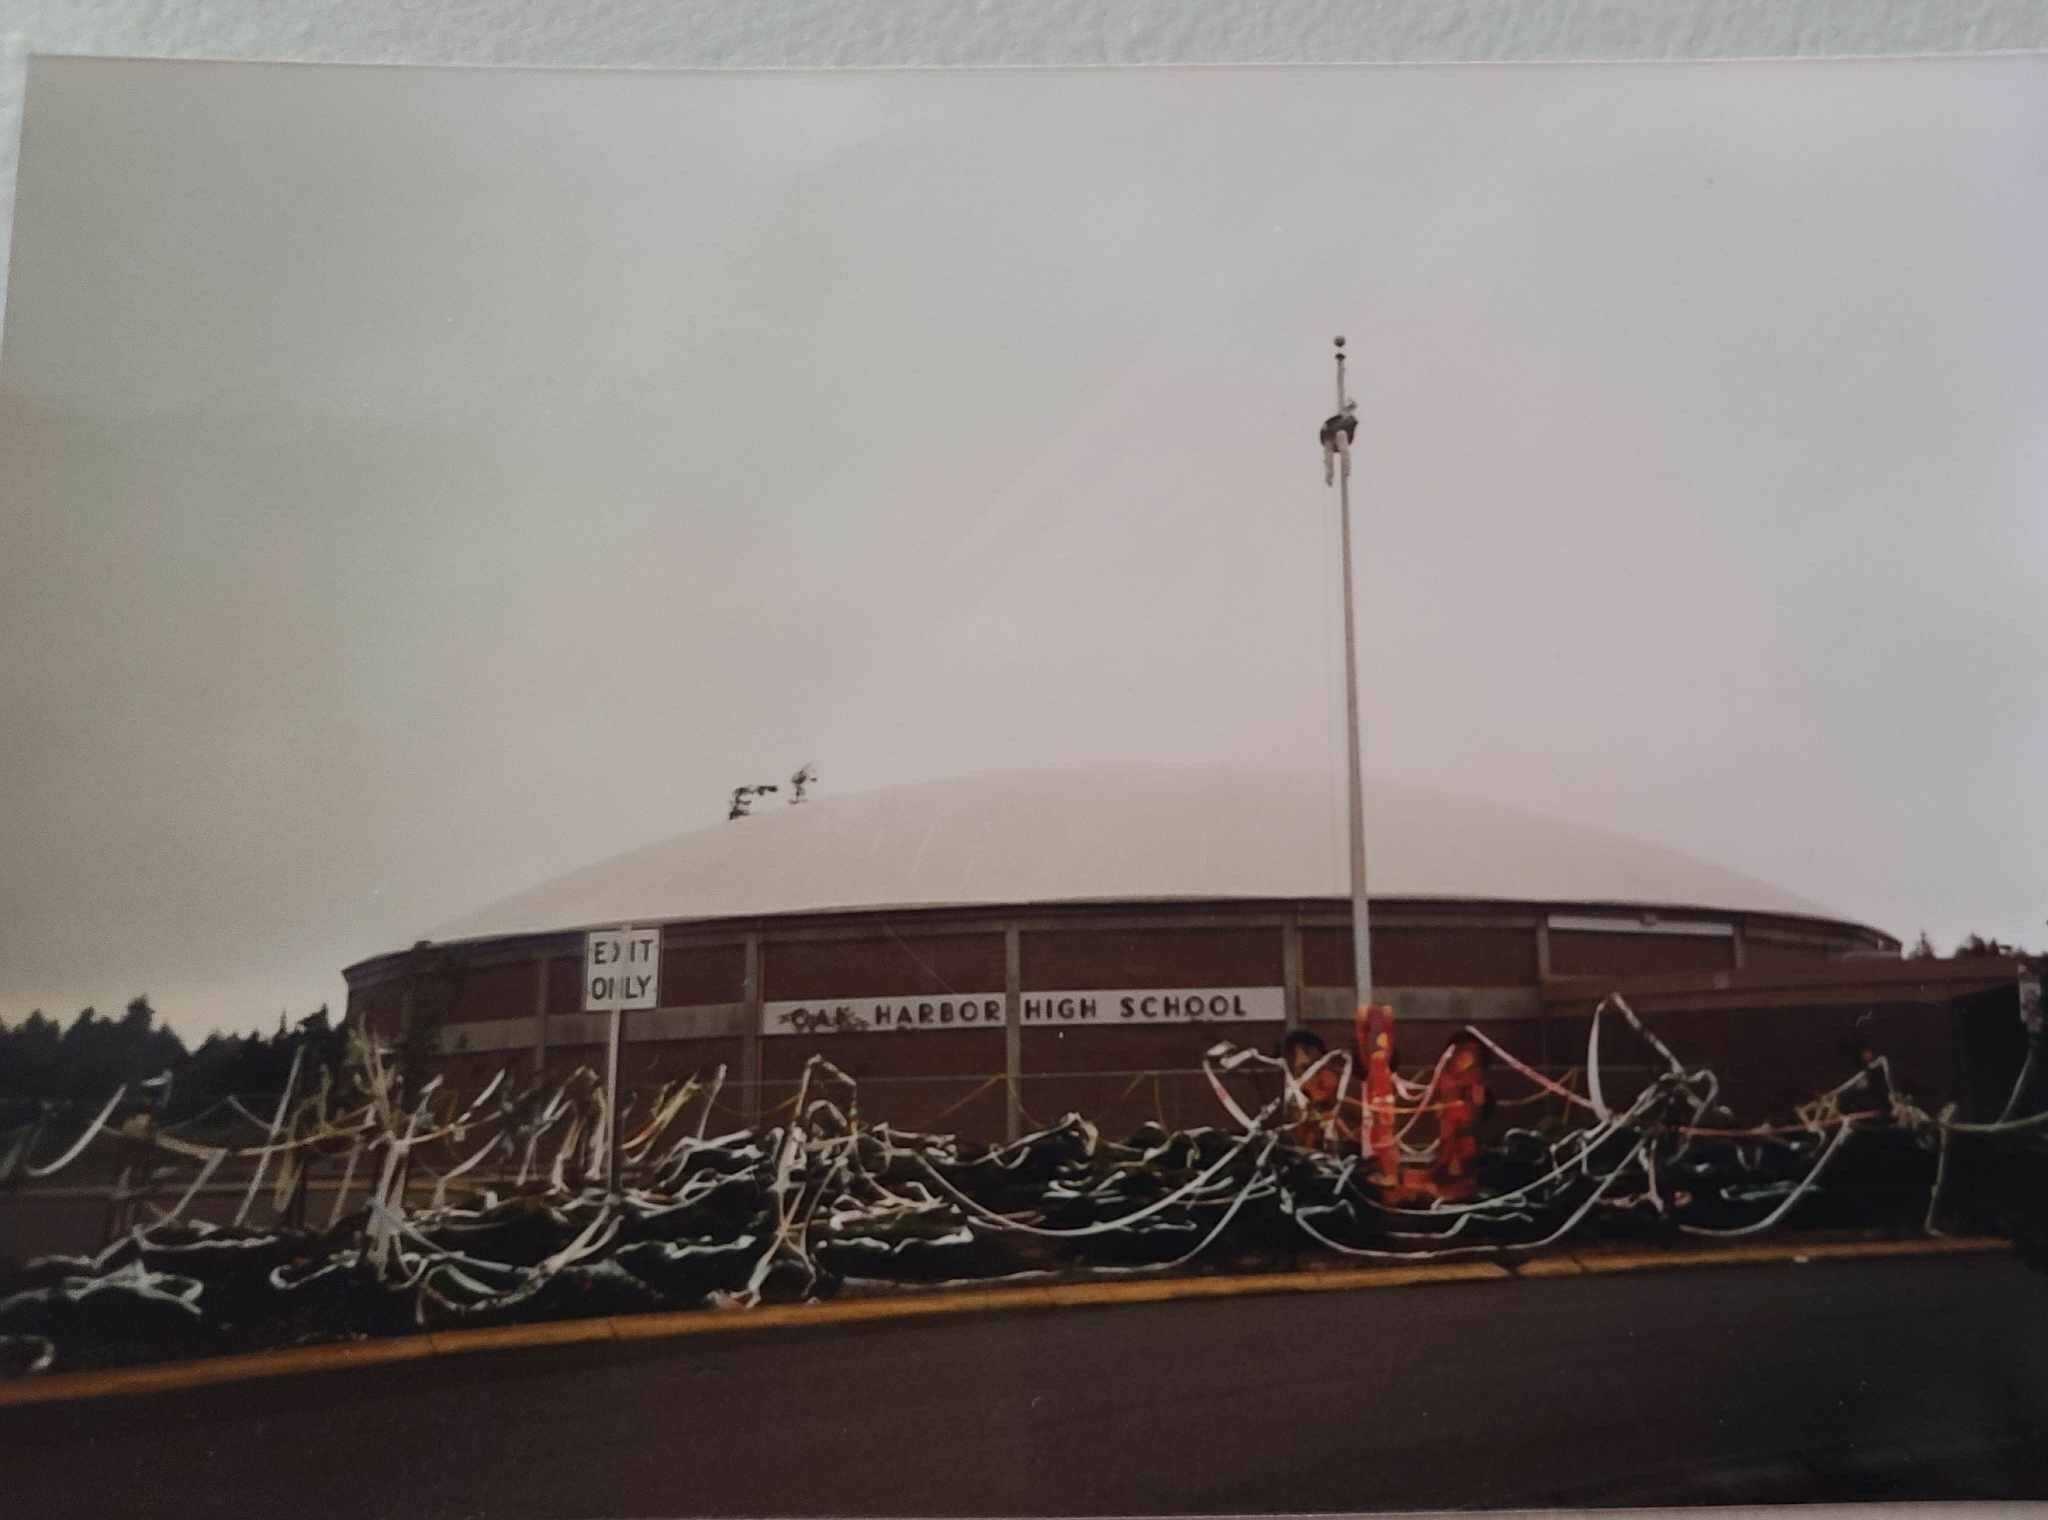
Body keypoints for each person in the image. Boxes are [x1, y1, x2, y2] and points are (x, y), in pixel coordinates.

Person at [1281, 1030, 1354, 1151]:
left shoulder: (1328, 1077)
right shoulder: (1285, 1082)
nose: (1302, 1059)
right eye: (1294, 1053)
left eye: (1306, 1051)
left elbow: (1321, 1102)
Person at [1320, 401, 1359, 486]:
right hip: (1330, 436)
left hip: (1339, 436)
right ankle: (1329, 475)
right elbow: (1344, 412)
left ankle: (1346, 469)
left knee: (1341, 436)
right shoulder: (1335, 420)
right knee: (1328, 453)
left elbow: (1346, 414)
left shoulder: (1346, 424)